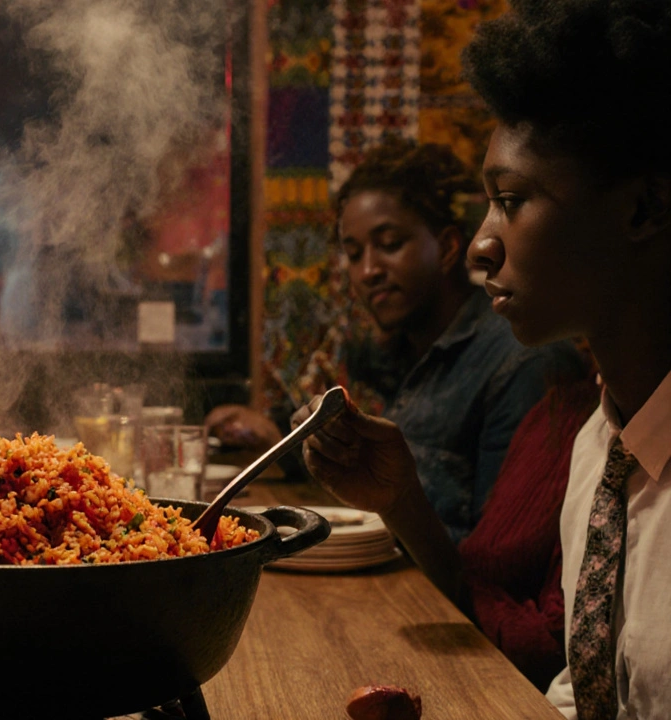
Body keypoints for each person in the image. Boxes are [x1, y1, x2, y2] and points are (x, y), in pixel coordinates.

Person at [302, 0, 671, 715]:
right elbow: (583, 690)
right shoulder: (600, 446)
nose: (479, 245)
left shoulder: (563, 406)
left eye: (512, 200)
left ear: (642, 210)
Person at [217, 140, 582, 542]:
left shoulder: (523, 362)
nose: (368, 270)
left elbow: (501, 564)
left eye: (389, 244)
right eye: (353, 254)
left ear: (445, 249)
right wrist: (284, 441)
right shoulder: (405, 350)